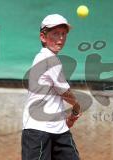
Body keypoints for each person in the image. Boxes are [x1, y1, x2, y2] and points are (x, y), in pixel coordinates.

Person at [22, 14, 81, 160]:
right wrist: (76, 108)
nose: (60, 38)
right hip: (38, 130)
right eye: (55, 34)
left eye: (63, 34)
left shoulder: (50, 59)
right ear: (43, 37)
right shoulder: (47, 59)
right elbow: (65, 92)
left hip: (59, 129)